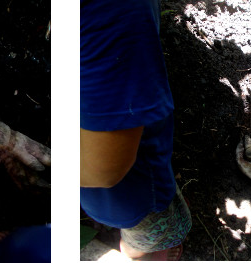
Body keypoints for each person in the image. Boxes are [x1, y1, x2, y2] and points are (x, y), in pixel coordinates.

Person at [81, 0, 191, 260]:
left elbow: (104, 167)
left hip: (127, 182)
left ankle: (142, 246)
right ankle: (139, 252)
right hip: (125, 190)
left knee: (149, 218)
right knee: (147, 234)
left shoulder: (110, 14)